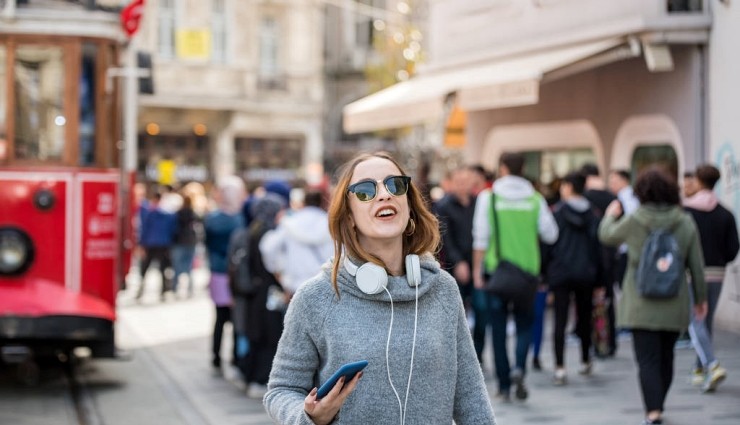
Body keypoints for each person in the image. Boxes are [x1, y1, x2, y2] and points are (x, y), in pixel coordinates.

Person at [264, 152, 495, 425]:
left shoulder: (443, 290)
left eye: (394, 185)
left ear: (409, 205)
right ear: (349, 216)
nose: (384, 194)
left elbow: (471, 397)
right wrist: (309, 416)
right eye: (365, 191)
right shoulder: (316, 297)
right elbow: (281, 390)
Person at [599, 167, 707, 425]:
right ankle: (658, 403)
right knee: (667, 357)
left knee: (647, 360)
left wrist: (608, 216)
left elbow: (607, 236)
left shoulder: (635, 219)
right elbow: (696, 265)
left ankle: (653, 410)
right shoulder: (684, 221)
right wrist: (701, 299)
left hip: (640, 303)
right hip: (674, 301)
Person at [472, 151, 559, 402]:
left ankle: (504, 384)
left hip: (496, 274)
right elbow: (551, 234)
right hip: (527, 276)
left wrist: (478, 272)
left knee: (497, 330)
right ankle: (520, 367)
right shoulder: (535, 199)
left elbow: (480, 237)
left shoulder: (489, 198)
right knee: (524, 325)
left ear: (502, 168)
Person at [683, 164, 739, 392]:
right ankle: (700, 370)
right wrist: (719, 261)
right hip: (717, 273)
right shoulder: (725, 213)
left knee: (695, 322)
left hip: (691, 274)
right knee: (705, 321)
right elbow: (734, 247)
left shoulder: (686, 212)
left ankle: (712, 365)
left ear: (698, 181)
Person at [543, 171, 602, 385]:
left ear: (568, 186)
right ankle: (586, 360)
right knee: (585, 318)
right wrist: (600, 278)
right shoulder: (593, 214)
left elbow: (548, 244)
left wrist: (545, 273)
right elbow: (599, 247)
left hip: (560, 273)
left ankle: (560, 367)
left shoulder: (557, 213)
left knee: (559, 320)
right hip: (586, 273)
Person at [433, 166, 486, 362]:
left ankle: (478, 355)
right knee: (456, 315)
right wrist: (459, 263)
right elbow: (446, 238)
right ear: (452, 183)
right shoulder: (444, 206)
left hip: (477, 266)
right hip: (455, 268)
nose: (463, 185)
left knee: (482, 311)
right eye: (459, 181)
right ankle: (457, 357)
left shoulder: (479, 203)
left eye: (466, 181)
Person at [259, 189, 334, 298]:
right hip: (324, 287)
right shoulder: (330, 225)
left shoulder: (290, 223)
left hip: (294, 287)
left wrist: (278, 270)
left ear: (304, 202)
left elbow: (268, 248)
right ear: (322, 203)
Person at [204, 176, 245, 370]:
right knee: (237, 317)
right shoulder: (241, 219)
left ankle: (215, 356)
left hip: (217, 271)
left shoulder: (212, 219)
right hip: (235, 272)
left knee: (219, 318)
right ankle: (236, 356)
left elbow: (207, 244)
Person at [581, 163, 618, 357]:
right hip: (609, 257)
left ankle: (595, 343)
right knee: (608, 301)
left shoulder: (585, 198)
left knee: (589, 303)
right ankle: (610, 342)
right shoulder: (613, 197)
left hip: (589, 257)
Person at [137, 191, 177, 301]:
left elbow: (144, 230)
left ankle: (141, 290)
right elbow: (173, 229)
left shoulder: (149, 213)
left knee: (145, 268)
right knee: (163, 269)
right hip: (163, 244)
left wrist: (141, 244)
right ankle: (164, 291)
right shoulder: (168, 214)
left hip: (150, 243)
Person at [171, 194, 200, 297]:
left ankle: (175, 288)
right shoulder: (193, 214)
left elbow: (173, 227)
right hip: (190, 241)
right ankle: (190, 289)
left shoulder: (178, 213)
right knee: (189, 266)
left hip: (179, 241)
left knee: (177, 266)